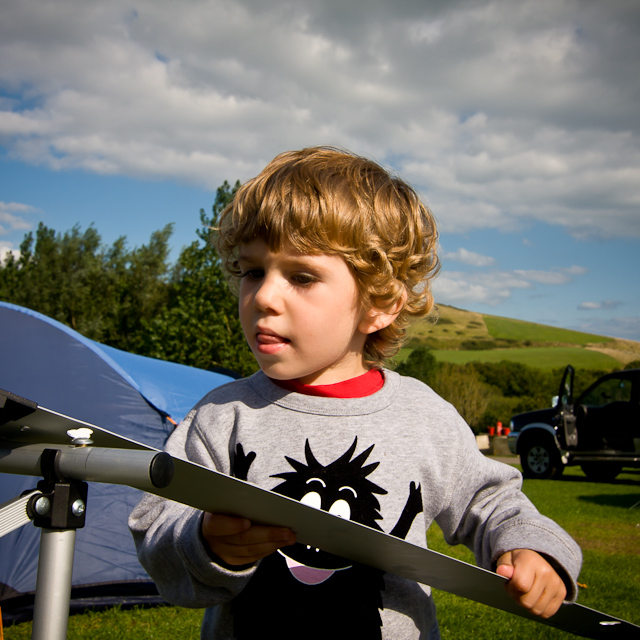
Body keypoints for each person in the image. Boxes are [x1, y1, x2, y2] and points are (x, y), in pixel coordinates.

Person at [129, 147, 582, 639]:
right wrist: (205, 544)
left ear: (380, 303)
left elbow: (493, 503)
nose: (262, 296)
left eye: (301, 277)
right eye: (252, 271)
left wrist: (531, 548)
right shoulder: (222, 416)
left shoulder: (422, 418)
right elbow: (158, 530)